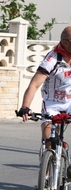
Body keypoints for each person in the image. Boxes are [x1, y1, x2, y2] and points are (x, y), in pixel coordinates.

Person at [18, 27, 71, 157]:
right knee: (49, 139)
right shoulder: (52, 59)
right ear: (65, 43)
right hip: (52, 103)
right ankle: (46, 174)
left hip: (69, 102)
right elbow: (34, 85)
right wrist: (25, 107)